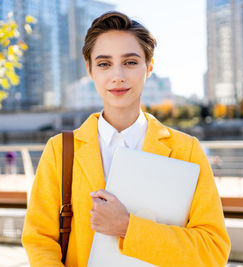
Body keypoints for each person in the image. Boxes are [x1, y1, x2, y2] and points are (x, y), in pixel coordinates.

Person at [22, 11, 231, 266]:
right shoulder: (60, 151)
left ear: (149, 67)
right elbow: (39, 240)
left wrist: (127, 227)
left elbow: (213, 252)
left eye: (130, 62)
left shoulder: (185, 151)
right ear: (90, 70)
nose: (117, 75)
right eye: (104, 63)